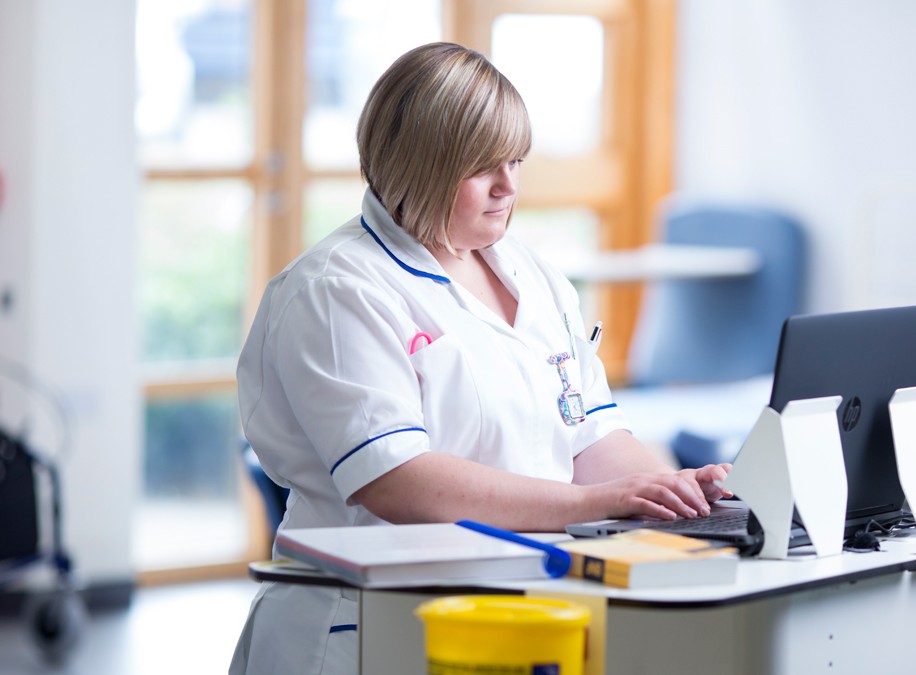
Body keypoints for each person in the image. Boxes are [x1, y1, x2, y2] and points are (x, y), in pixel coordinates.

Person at [228, 42, 732, 675]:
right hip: (366, 622)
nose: (508, 187)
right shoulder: (336, 289)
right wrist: (593, 504)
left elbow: (592, 432)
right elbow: (397, 480)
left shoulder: (535, 276)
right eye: (482, 168)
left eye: (516, 161)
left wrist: (672, 493)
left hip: (516, 609)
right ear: (416, 163)